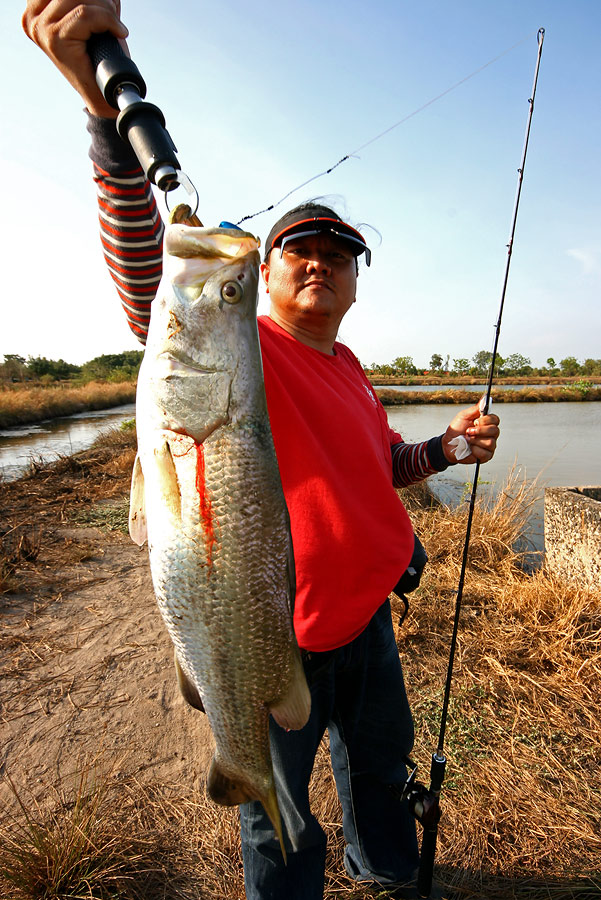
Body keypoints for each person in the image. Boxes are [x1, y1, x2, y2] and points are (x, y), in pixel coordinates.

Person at [23, 4, 501, 898]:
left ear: (358, 280)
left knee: (378, 763)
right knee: (272, 807)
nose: (318, 262)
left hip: (369, 621)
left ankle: (387, 868)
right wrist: (103, 117)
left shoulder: (351, 366)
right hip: (271, 630)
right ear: (269, 273)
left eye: (339, 253)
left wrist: (443, 448)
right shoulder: (247, 346)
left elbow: (376, 467)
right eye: (296, 250)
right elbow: (151, 284)